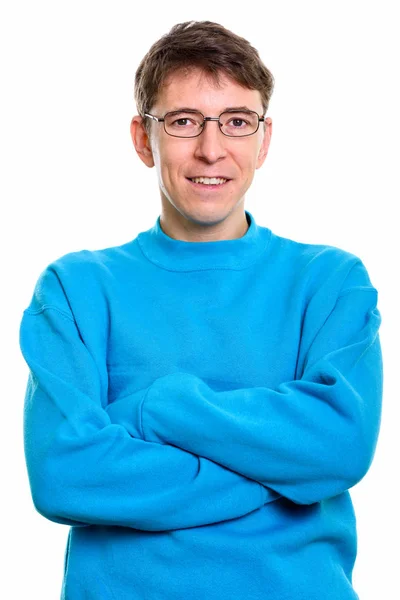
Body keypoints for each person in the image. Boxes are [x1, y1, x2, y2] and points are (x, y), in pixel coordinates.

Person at [19, 20, 383, 600]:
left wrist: (158, 408)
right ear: (144, 138)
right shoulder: (76, 289)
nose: (212, 149)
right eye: (184, 121)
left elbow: (338, 445)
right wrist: (281, 473)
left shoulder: (330, 282)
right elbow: (64, 474)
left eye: (237, 122)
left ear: (264, 140)